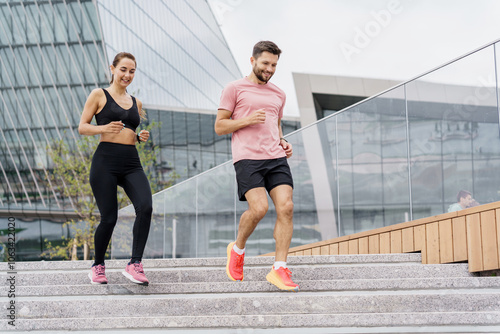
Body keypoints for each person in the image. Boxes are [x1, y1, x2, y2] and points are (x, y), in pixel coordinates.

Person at [215, 41, 298, 292]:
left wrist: (283, 140)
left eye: (274, 65)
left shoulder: (278, 94)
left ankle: (279, 268)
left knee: (287, 206)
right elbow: (219, 126)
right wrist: (247, 120)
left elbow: (276, 123)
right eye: (265, 63)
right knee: (259, 208)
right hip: (247, 158)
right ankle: (237, 249)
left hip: (275, 158)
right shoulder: (234, 89)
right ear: (252, 61)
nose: (269, 69)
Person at [79, 52, 152, 286]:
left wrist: (139, 138)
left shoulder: (136, 102)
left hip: (131, 161)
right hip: (105, 162)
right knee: (109, 218)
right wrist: (104, 128)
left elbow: (128, 130)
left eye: (132, 71)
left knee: (146, 206)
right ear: (112, 68)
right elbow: (82, 127)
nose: (127, 75)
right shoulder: (99, 95)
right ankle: (97, 266)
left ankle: (134, 263)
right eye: (123, 69)